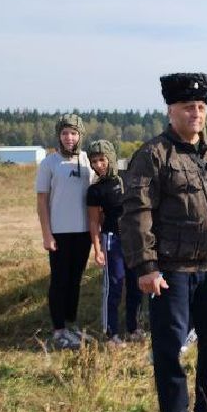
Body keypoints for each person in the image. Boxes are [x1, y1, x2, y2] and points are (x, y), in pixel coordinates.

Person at [120, 73, 207, 412]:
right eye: (187, 107)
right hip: (172, 271)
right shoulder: (153, 156)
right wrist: (146, 267)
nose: (196, 113)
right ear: (171, 110)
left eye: (201, 107)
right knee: (170, 346)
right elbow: (136, 214)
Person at [35, 113, 93, 351]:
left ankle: (71, 324)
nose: (69, 138)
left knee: (76, 280)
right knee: (59, 281)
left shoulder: (88, 160)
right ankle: (58, 330)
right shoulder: (49, 163)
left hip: (83, 232)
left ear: (80, 135)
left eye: (73, 133)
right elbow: (42, 202)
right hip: (59, 232)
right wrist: (47, 234)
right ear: (59, 136)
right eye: (65, 133)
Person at [86, 140, 142, 345]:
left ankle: (134, 328)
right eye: (94, 161)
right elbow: (94, 221)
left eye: (102, 159)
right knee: (115, 284)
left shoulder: (128, 178)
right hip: (112, 240)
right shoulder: (95, 190)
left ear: (111, 158)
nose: (99, 165)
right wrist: (98, 249)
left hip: (134, 240)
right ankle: (111, 333)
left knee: (136, 284)